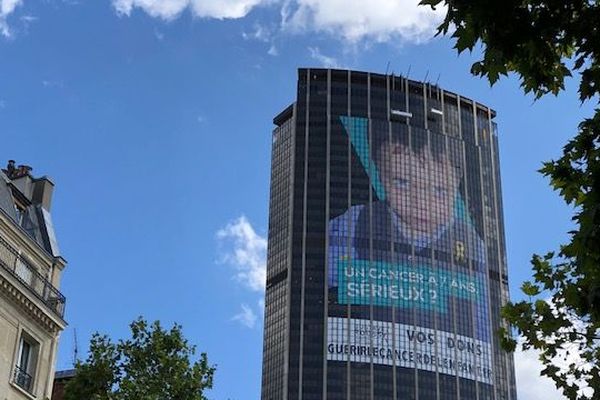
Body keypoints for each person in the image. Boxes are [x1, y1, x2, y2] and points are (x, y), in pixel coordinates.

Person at [328, 126, 489, 341]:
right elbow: (323, 284)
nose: (421, 203)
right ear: (380, 176)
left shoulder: (472, 245)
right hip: (371, 351)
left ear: (457, 183)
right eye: (402, 183)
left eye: (439, 190)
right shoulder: (356, 221)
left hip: (444, 357)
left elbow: (484, 323)